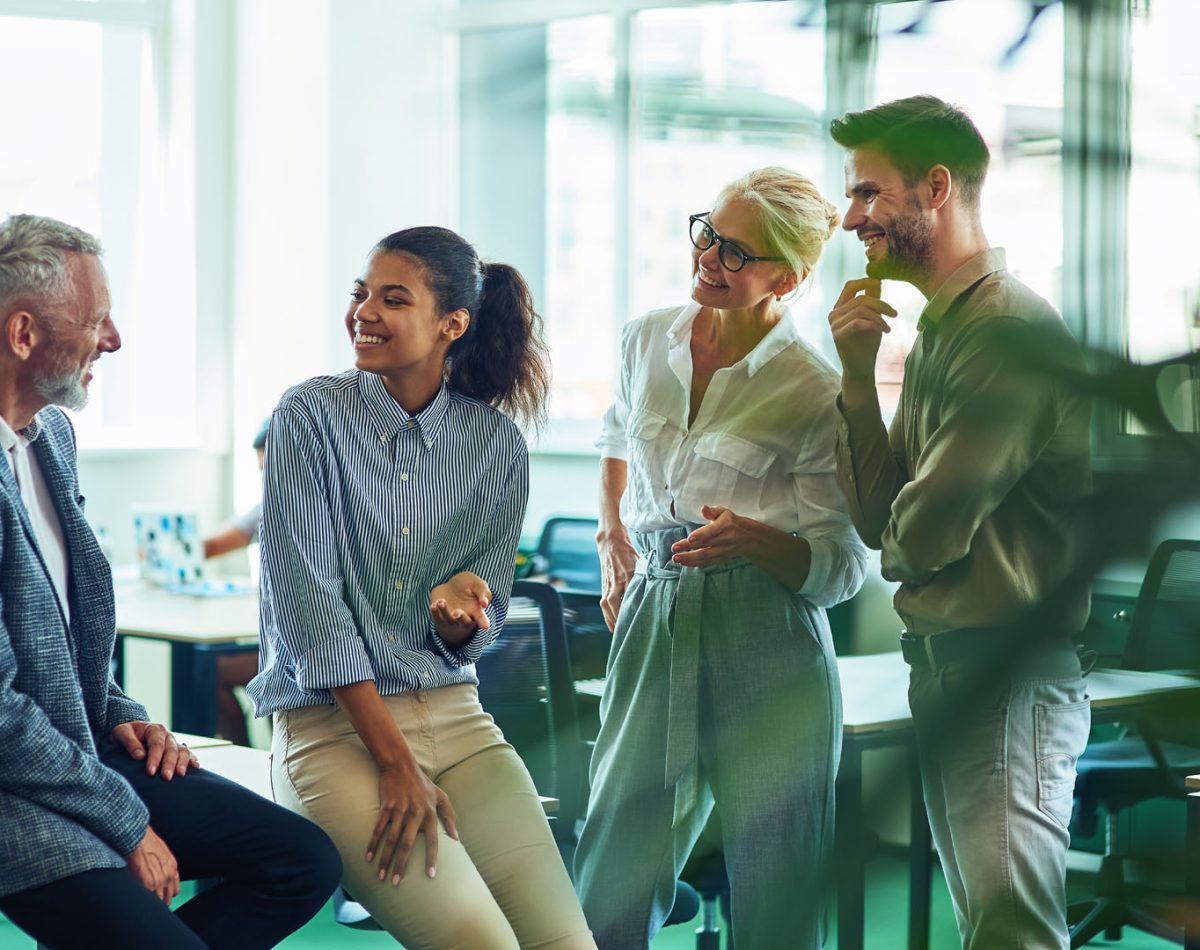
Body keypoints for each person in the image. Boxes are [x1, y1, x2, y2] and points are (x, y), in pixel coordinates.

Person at [248, 226, 596, 949]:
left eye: (392, 298)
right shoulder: (308, 417)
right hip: (334, 731)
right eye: (360, 293)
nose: (363, 312)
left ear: (452, 324)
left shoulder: (497, 446)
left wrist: (465, 615)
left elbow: (484, 614)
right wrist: (396, 763)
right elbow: (310, 615)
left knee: (567, 943)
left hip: (458, 720)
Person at [0, 213, 341, 949]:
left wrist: (120, 707)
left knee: (302, 860)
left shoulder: (51, 434)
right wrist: (129, 824)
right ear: (22, 334)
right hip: (13, 785)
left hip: (79, 748)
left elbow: (61, 628)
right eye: (95, 320)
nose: (113, 339)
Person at [575, 167, 869, 948]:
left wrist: (757, 540)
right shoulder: (647, 337)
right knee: (614, 845)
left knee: (777, 863)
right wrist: (613, 537)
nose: (710, 255)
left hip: (766, 622)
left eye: (738, 251)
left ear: (791, 277)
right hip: (655, 606)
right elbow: (614, 435)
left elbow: (843, 567)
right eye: (708, 232)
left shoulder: (813, 388)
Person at [827, 95, 1092, 948]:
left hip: (1005, 675)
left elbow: (927, 531)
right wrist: (860, 374)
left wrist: (910, 529)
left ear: (936, 187)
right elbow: (879, 521)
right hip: (947, 668)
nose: (850, 217)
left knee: (1012, 933)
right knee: (991, 927)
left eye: (869, 193)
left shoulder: (1007, 330)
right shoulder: (943, 331)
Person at [203, 417, 269, 744]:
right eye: (261, 471)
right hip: (274, 640)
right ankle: (245, 752)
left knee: (209, 670)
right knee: (209, 666)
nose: (269, 478)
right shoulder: (264, 509)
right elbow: (212, 545)